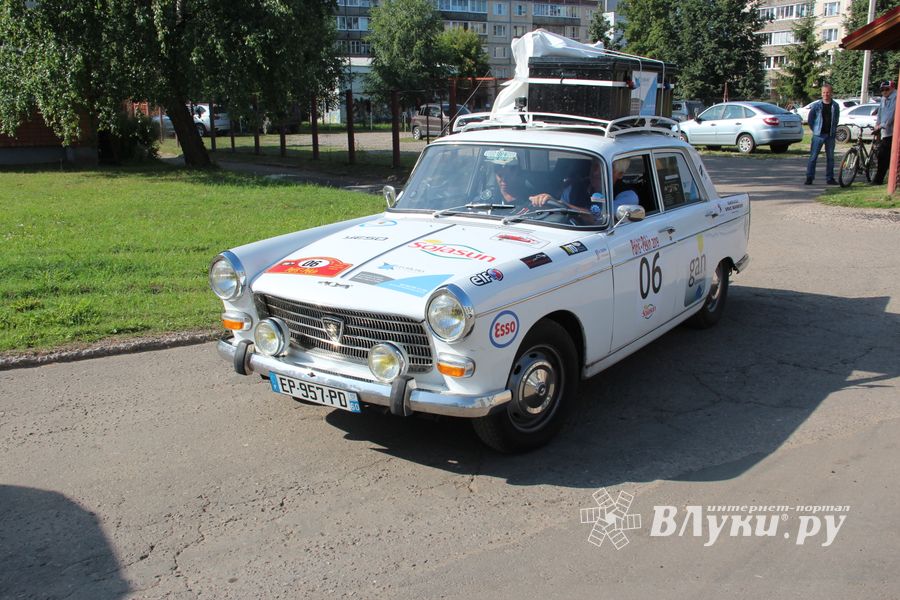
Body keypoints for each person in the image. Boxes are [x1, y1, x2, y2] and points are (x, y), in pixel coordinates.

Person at [805, 83, 840, 185]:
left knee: (830, 158)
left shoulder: (835, 106)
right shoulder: (816, 106)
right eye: (824, 92)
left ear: (831, 93)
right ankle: (809, 177)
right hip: (818, 135)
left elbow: (836, 119)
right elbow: (810, 119)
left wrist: (832, 130)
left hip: (830, 135)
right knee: (813, 157)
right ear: (821, 93)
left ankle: (830, 178)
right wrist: (815, 129)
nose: (826, 94)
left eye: (828, 92)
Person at [872, 80, 897, 186]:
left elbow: (891, 115)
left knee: (884, 156)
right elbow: (881, 114)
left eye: (886, 89)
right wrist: (877, 125)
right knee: (882, 156)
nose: (884, 92)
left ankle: (879, 179)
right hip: (886, 133)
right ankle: (879, 179)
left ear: (892, 88)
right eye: (882, 90)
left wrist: (881, 125)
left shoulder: (896, 98)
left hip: (894, 133)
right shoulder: (883, 99)